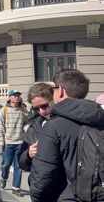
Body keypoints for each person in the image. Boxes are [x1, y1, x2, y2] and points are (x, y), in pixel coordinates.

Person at [30, 69, 104, 202]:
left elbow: (43, 176)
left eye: (54, 89)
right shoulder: (100, 118)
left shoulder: (54, 126)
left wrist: (37, 197)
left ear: (61, 91)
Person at [0, 89, 27, 196]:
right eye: (14, 95)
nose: (17, 97)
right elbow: (0, 126)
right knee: (6, 164)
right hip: (8, 143)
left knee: (18, 166)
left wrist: (26, 131)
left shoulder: (23, 110)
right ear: (9, 97)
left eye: (18, 95)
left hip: (20, 142)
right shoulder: (4, 110)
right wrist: (0, 142)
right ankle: (4, 178)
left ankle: (16, 188)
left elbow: (27, 124)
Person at [18, 83, 53, 172]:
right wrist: (28, 154)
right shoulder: (32, 127)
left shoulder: (66, 122)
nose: (41, 111)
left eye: (44, 106)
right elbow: (21, 163)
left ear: (53, 99)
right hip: (38, 182)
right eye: (36, 109)